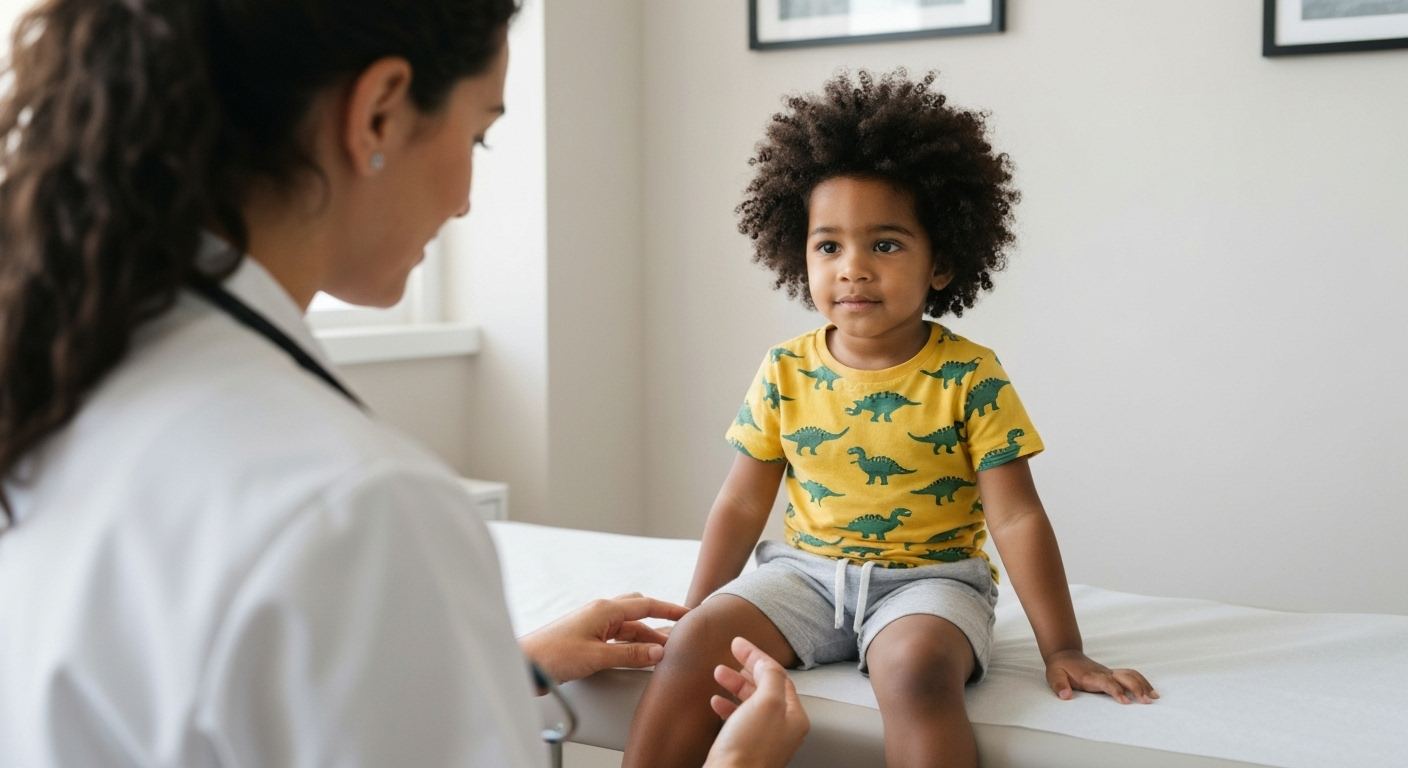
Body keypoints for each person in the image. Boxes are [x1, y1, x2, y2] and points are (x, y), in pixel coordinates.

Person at [0, 1, 807, 766]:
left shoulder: (54, 386)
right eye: (480, 135)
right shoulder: (362, 507)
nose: (464, 201)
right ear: (379, 112)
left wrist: (497, 668)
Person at [623, 70, 1158, 768]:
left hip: (931, 582)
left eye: (885, 244)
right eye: (828, 246)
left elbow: (1018, 518)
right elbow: (742, 497)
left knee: (913, 674)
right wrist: (697, 608)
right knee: (697, 644)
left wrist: (1063, 647)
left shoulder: (972, 375)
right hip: (804, 575)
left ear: (940, 263)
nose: (853, 269)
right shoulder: (785, 368)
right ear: (799, 252)